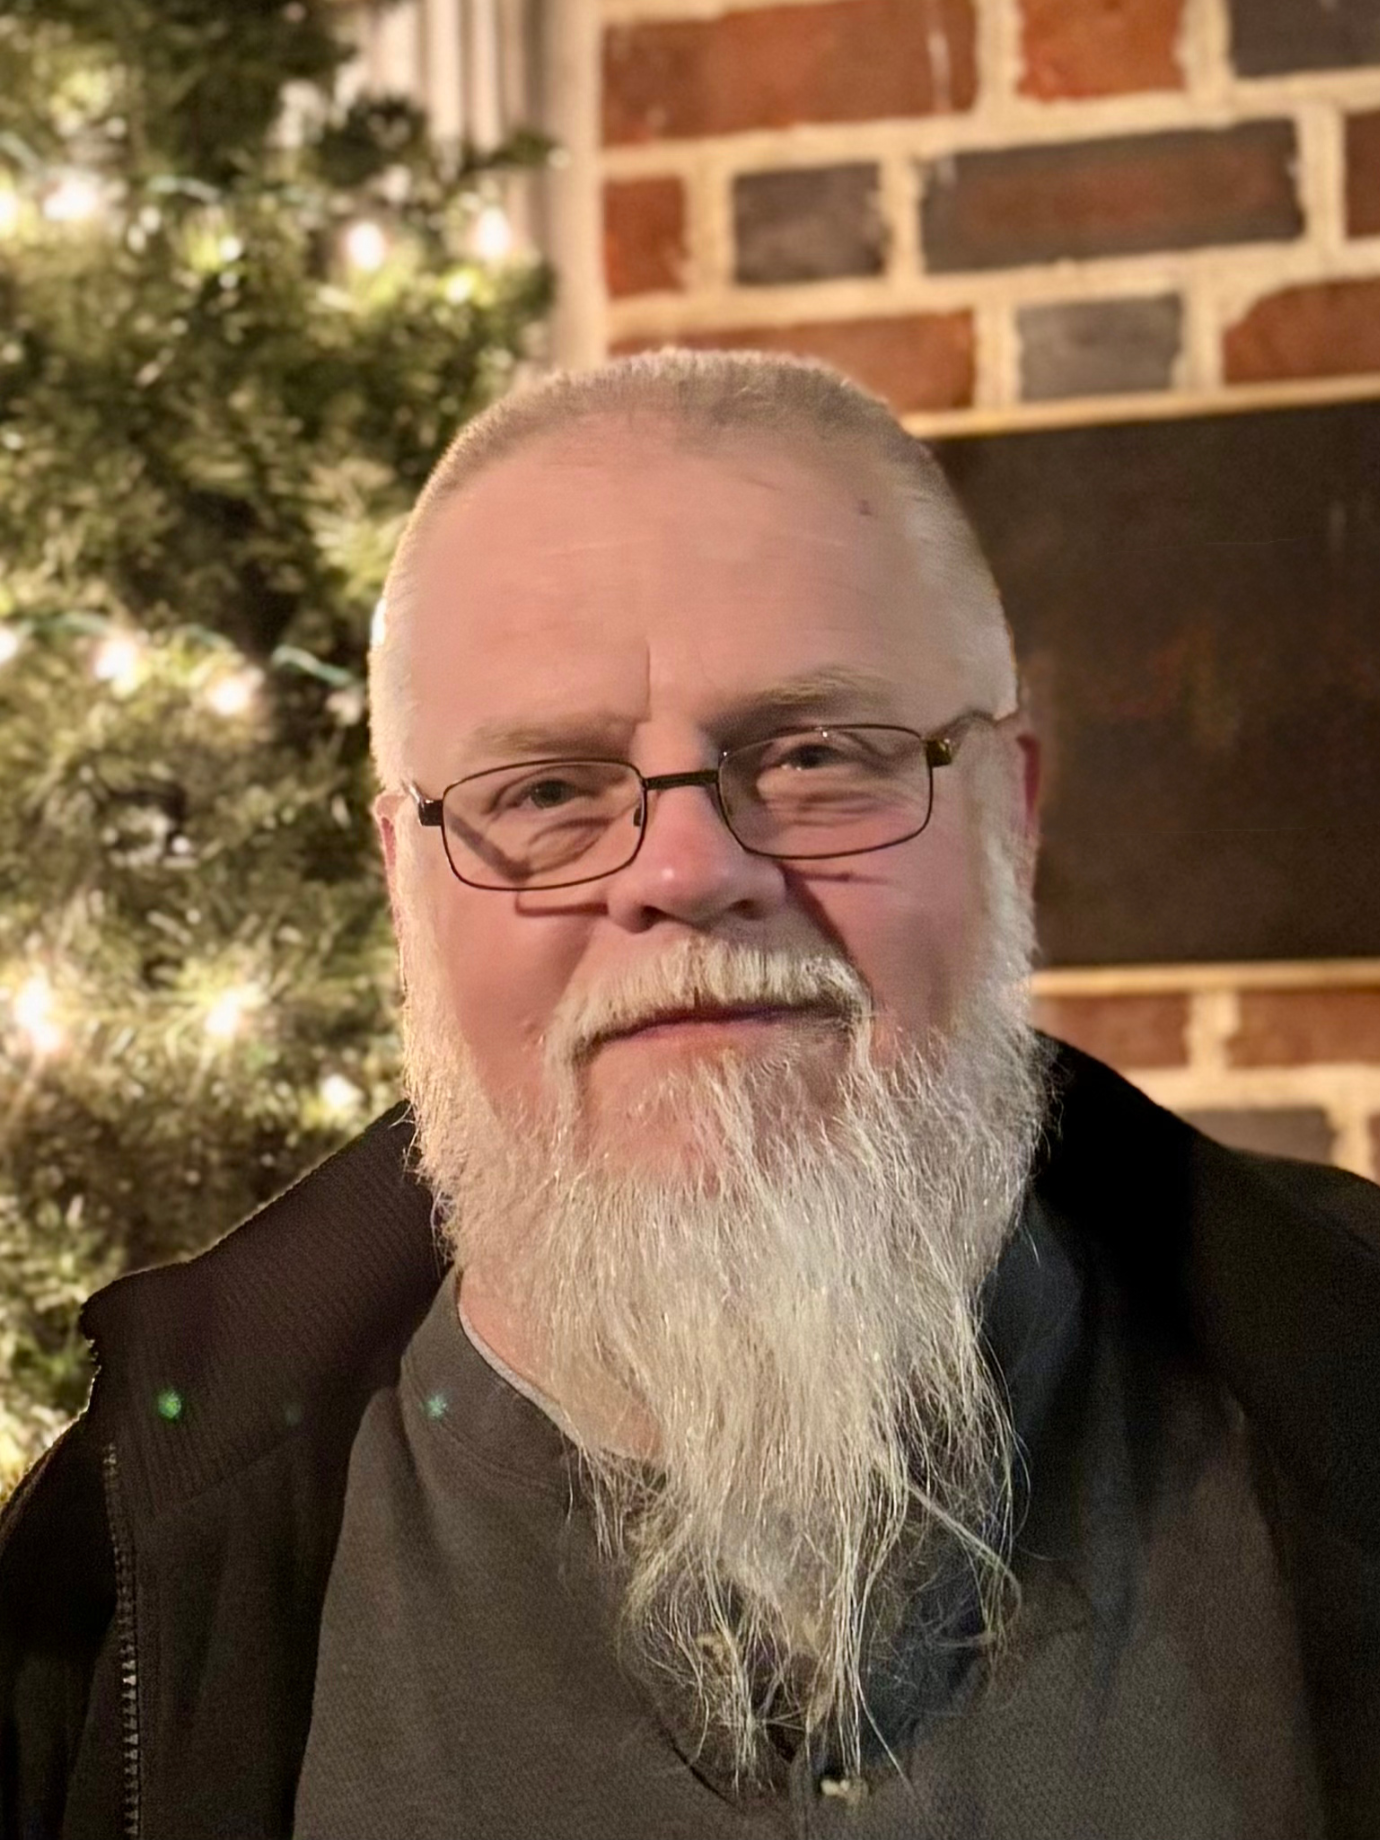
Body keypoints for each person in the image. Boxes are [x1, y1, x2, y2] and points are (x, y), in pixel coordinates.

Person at [2, 350, 1377, 1840]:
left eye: (814, 757)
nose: (686, 870)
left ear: (1012, 815)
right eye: (542, 792)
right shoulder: (109, 1591)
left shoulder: (1344, 1393)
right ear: (404, 878)